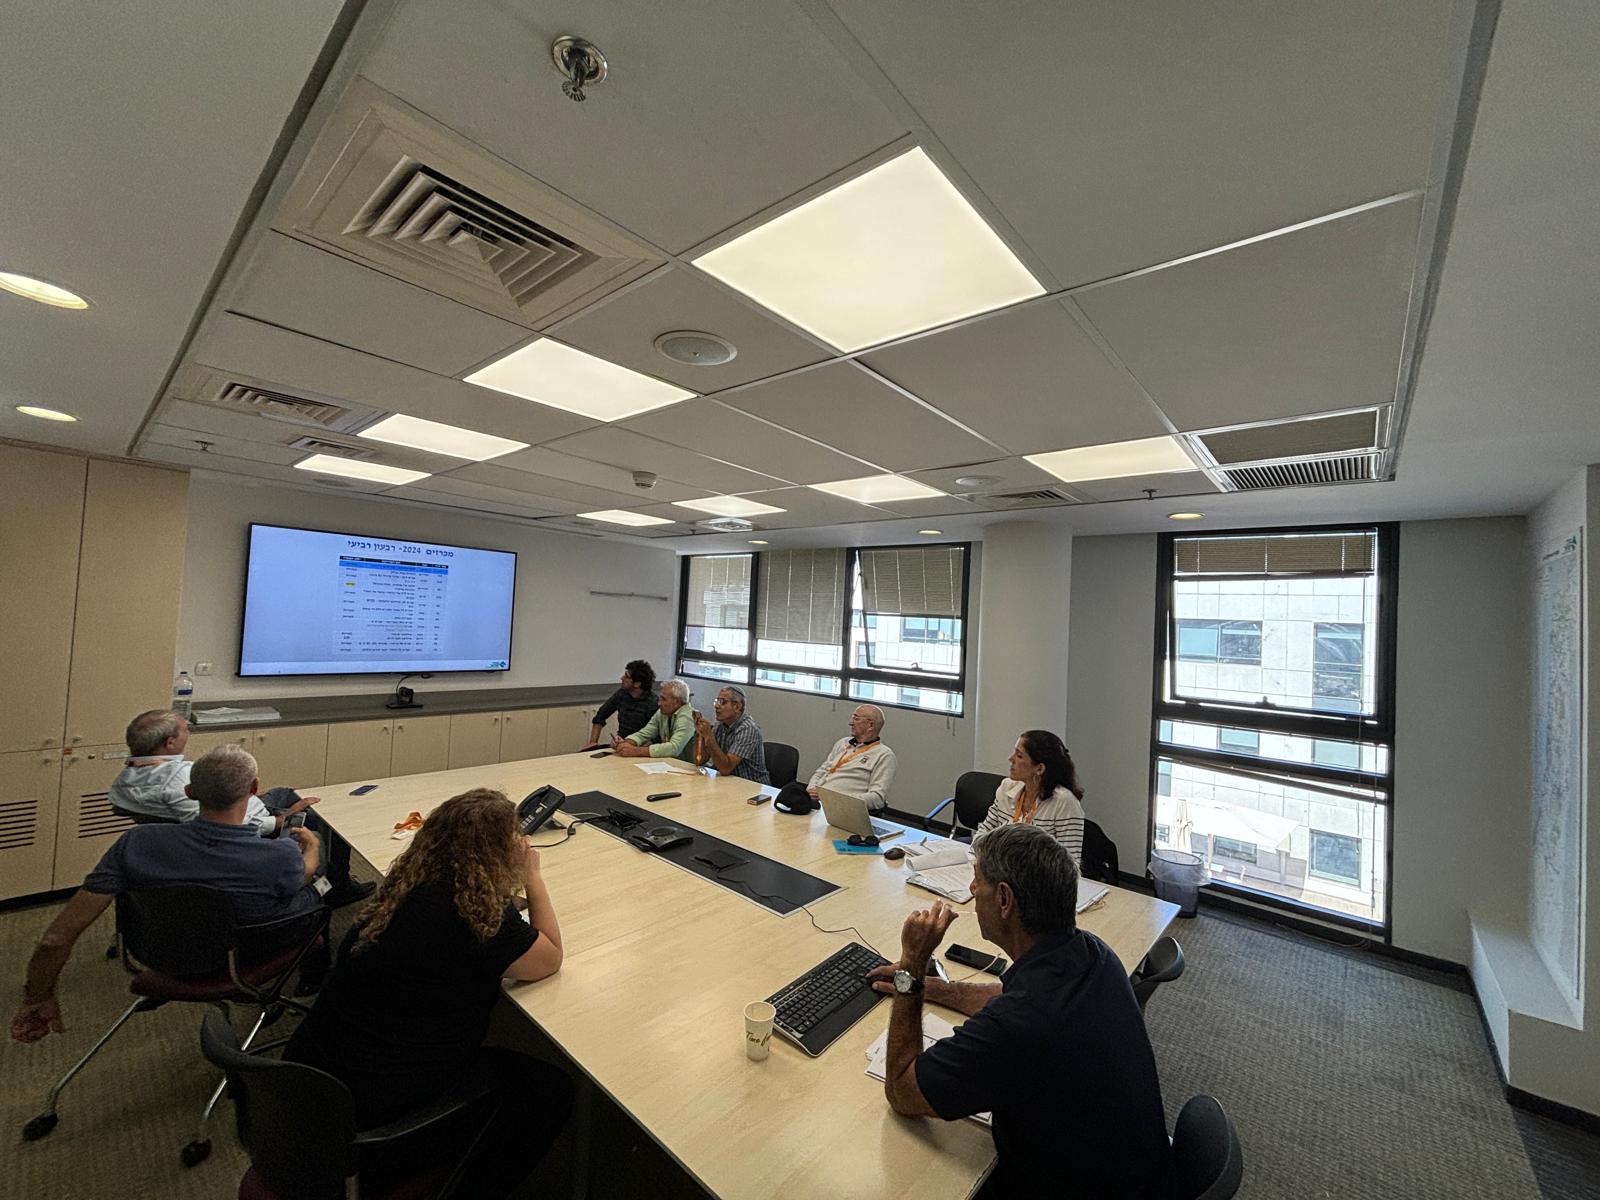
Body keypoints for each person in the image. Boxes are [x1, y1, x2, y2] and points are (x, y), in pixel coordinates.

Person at [284, 789, 572, 1198]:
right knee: (550, 1088)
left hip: (305, 1086)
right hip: (371, 1115)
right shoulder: (477, 918)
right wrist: (533, 876)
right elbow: (549, 957)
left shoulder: (404, 889)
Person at [868, 823, 1170, 1198]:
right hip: (1133, 1172)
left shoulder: (1017, 1026)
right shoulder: (1093, 952)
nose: (971, 890)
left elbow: (901, 1090)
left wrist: (912, 968)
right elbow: (1008, 996)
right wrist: (934, 988)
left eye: (978, 880)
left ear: (1004, 899)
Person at [11, 744, 325, 1045]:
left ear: (190, 792)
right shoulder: (277, 854)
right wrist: (312, 847)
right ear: (254, 788)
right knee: (321, 894)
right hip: (242, 959)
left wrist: (38, 996)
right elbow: (304, 875)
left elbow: (54, 940)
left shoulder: (136, 843)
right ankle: (317, 978)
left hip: (154, 952)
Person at [111, 709, 371, 906]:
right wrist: (283, 819)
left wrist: (249, 795)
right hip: (254, 825)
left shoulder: (124, 783)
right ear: (169, 742)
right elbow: (226, 823)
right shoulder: (182, 777)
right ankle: (335, 885)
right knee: (322, 820)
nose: (188, 731)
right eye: (184, 729)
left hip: (240, 809)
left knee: (285, 793)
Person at [973, 730, 1086, 862]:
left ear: (1039, 769)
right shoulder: (1006, 788)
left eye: (1019, 756)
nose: (1011, 759)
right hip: (999, 868)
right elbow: (982, 835)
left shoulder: (1064, 802)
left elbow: (1069, 864)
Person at [805, 704, 897, 811]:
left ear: (871, 725)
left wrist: (832, 798)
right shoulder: (842, 743)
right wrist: (810, 790)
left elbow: (877, 799)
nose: (851, 723)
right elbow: (821, 771)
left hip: (843, 809)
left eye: (856, 719)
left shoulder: (884, 755)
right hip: (817, 803)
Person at [690, 685, 770, 784]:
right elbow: (699, 760)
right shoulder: (720, 725)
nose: (716, 706)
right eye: (716, 701)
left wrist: (709, 736)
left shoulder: (748, 729)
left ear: (737, 707)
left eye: (722, 702)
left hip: (751, 785)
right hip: (728, 782)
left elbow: (725, 768)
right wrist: (701, 735)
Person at [612, 679, 696, 759]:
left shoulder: (688, 716)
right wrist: (626, 743)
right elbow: (645, 733)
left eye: (663, 699)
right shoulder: (663, 712)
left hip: (687, 766)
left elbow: (674, 748)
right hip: (669, 763)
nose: (659, 703)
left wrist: (635, 751)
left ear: (677, 702)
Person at [585, 659, 658, 748]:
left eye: (626, 676)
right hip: (620, 743)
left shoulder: (653, 703)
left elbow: (656, 737)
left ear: (637, 684)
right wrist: (593, 742)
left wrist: (633, 749)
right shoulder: (622, 694)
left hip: (640, 748)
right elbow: (600, 716)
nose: (622, 678)